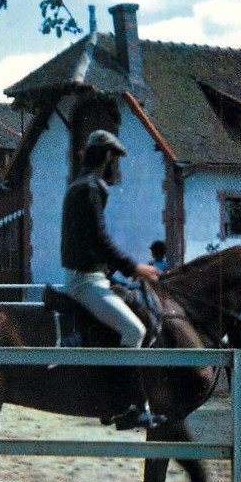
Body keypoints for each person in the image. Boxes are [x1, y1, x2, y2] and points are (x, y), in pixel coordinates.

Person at [60, 130, 164, 431]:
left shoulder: (79, 185)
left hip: (91, 276)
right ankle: (126, 405)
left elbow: (92, 244)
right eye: (114, 158)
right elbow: (101, 240)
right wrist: (135, 268)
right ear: (106, 156)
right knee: (134, 330)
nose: (114, 164)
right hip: (85, 282)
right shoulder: (91, 187)